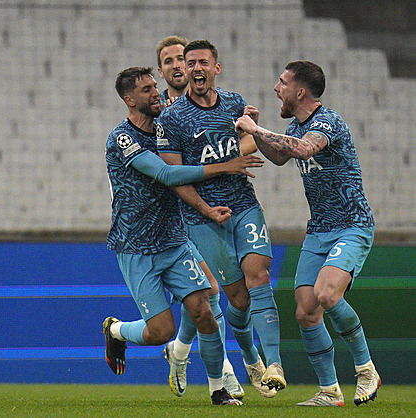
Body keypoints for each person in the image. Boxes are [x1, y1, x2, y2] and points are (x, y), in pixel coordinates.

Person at [104, 66, 263, 406]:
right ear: (130, 100)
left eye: (154, 87)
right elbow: (165, 173)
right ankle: (116, 331)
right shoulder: (123, 138)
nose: (155, 93)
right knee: (162, 331)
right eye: (147, 90)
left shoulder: (166, 128)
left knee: (203, 309)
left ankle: (218, 388)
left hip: (174, 240)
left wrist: (239, 123)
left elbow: (209, 142)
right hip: (136, 246)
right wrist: (225, 166)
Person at [235, 60, 380, 407]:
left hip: (352, 225)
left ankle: (366, 369)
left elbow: (302, 150)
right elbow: (282, 156)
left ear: (300, 91)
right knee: (306, 310)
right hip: (318, 231)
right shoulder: (296, 127)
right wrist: (254, 132)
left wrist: (257, 128)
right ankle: (329, 391)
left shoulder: (326, 122)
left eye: (282, 83)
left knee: (327, 295)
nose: (276, 88)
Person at [157, 40, 286, 398]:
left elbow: (244, 144)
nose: (196, 68)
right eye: (190, 62)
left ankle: (272, 365)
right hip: (202, 219)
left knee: (259, 277)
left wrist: (253, 130)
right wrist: (206, 207)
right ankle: (248, 354)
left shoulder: (233, 103)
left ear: (216, 68)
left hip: (244, 203)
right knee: (237, 299)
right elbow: (173, 175)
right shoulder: (171, 117)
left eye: (203, 62)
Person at [156, 35, 245, 399]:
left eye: (183, 58)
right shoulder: (156, 111)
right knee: (208, 292)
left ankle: (179, 350)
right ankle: (225, 375)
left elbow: (239, 146)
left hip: (209, 208)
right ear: (161, 71)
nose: (179, 65)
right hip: (173, 215)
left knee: (209, 294)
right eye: (170, 61)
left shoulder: (215, 105)